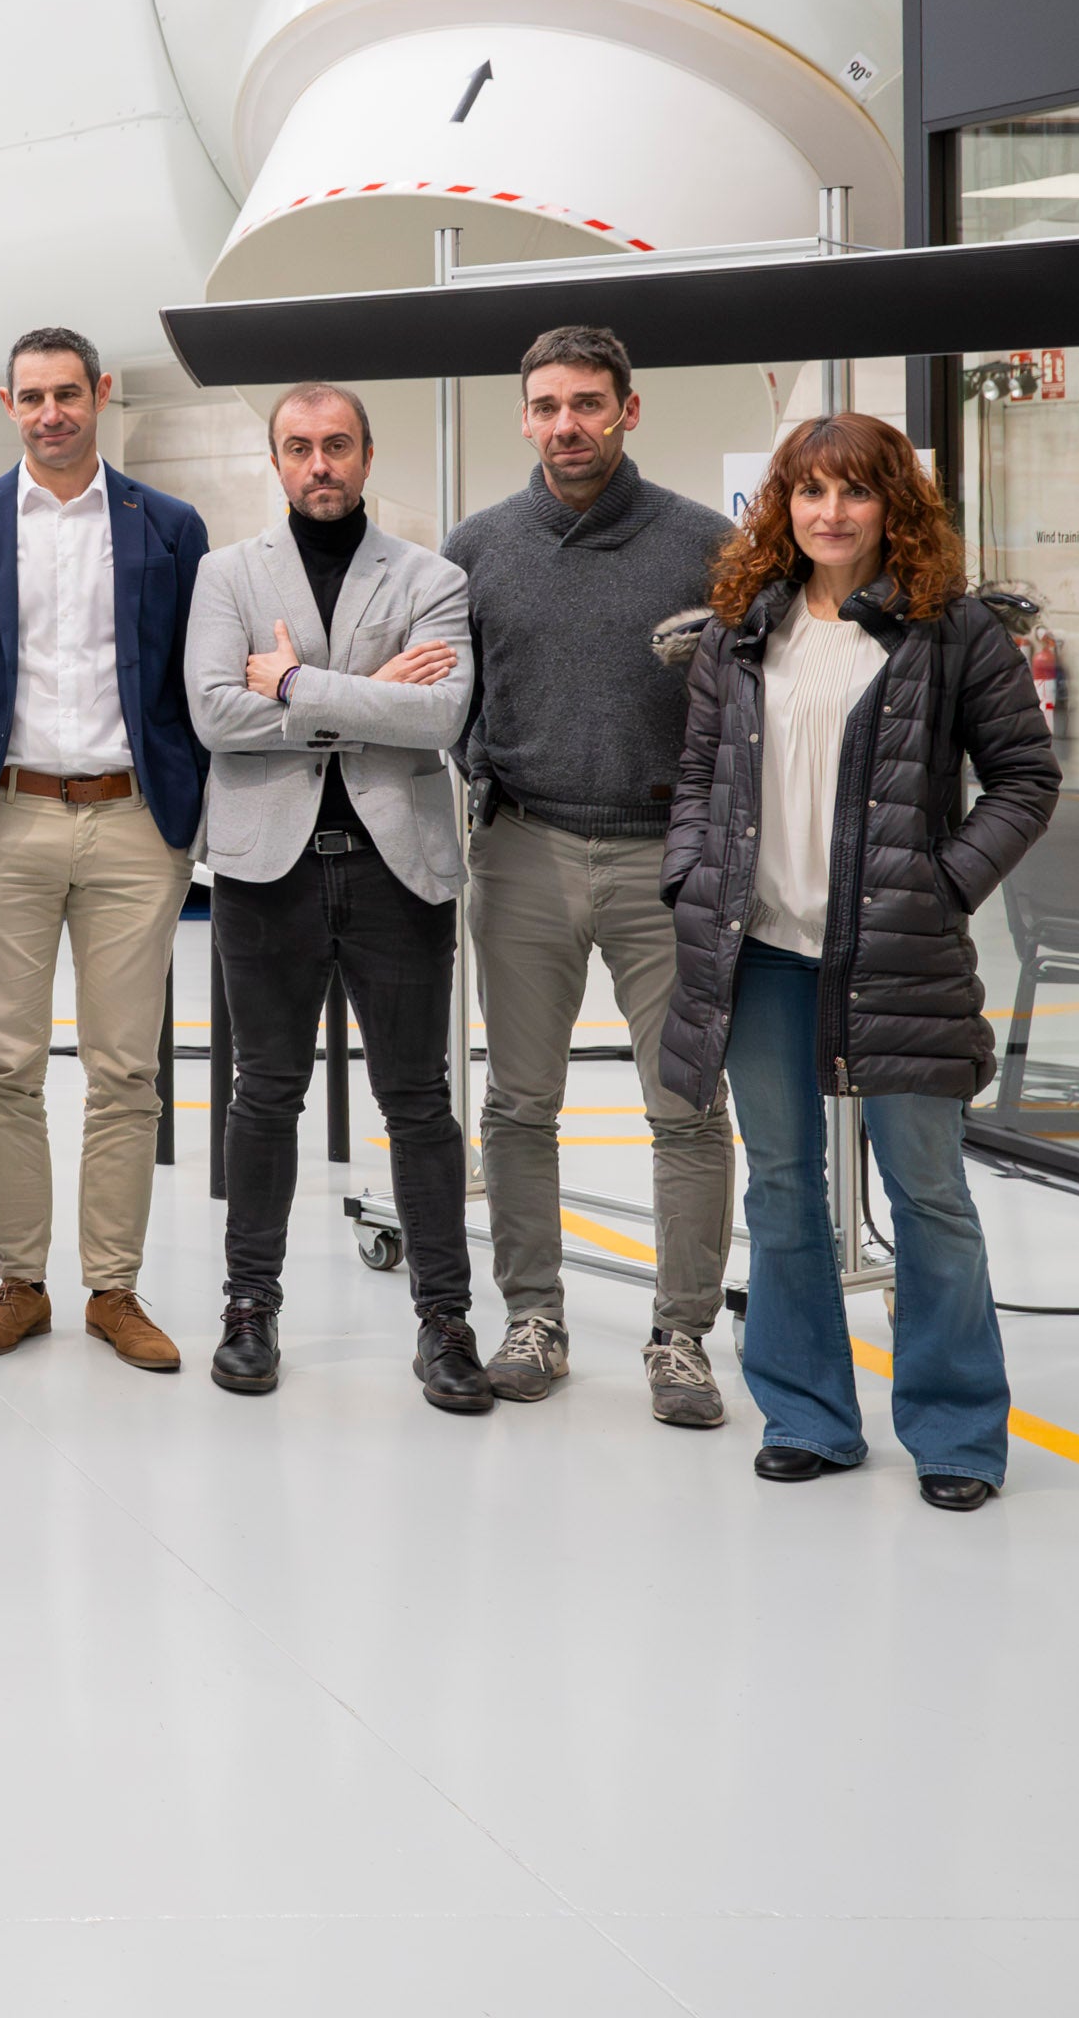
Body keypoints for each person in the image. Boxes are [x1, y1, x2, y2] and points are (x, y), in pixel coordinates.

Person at [660, 414, 1055, 1509]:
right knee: (784, 1191)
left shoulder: (951, 630)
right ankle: (808, 1417)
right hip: (760, 953)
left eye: (856, 492)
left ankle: (957, 1431)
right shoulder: (743, 628)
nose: (831, 513)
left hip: (896, 952)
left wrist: (942, 885)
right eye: (810, 492)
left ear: (896, 507)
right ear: (781, 506)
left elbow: (1025, 775)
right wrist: (693, 873)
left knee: (927, 1193)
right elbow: (696, 772)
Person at [444, 324, 742, 1422]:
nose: (567, 424)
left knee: (686, 1106)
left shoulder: (708, 545)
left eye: (588, 403)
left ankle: (680, 1335)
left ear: (629, 408)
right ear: (523, 418)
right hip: (521, 848)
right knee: (520, 1103)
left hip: (668, 860)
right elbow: (447, 699)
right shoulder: (476, 548)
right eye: (547, 406)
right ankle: (534, 1316)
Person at [0, 325, 210, 1373]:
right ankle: (19, 1282)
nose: (51, 414)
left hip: (135, 823)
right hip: (6, 819)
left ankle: (114, 1290)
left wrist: (188, 805)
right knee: (8, 1066)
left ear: (101, 394)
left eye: (68, 393)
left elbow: (186, 674)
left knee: (127, 1069)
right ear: (8, 406)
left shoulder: (168, 527)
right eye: (31, 396)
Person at [186, 385, 490, 1412]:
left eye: (339, 447)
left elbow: (442, 711)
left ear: (368, 455)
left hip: (396, 869)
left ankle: (445, 1321)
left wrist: (297, 683)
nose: (321, 465)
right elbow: (216, 714)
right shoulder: (225, 575)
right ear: (276, 461)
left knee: (418, 1103)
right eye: (300, 448)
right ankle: (248, 1306)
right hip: (266, 867)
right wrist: (372, 696)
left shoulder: (431, 574)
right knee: (263, 1097)